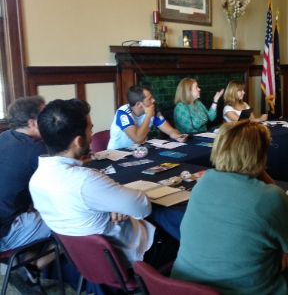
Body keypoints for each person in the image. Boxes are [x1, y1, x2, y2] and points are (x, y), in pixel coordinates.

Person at [171, 120, 288, 294]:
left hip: (184, 289)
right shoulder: (271, 197)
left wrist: (254, 167)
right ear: (261, 155)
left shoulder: (203, 181)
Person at [30, 99, 155, 263]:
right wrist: (115, 205)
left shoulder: (36, 179)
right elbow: (143, 206)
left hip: (83, 259)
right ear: (78, 141)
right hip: (127, 256)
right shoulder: (85, 181)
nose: (91, 135)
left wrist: (110, 205)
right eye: (90, 130)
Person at [0, 96, 51, 253]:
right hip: (7, 230)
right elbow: (64, 182)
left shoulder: (4, 136)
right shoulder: (36, 149)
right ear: (32, 123)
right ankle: (37, 265)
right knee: (71, 216)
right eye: (46, 117)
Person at [108, 85, 187, 150]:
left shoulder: (153, 111)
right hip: (116, 155)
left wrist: (177, 135)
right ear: (139, 104)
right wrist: (148, 116)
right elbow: (138, 139)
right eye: (149, 99)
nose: (153, 100)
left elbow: (170, 130)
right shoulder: (123, 114)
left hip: (137, 152)